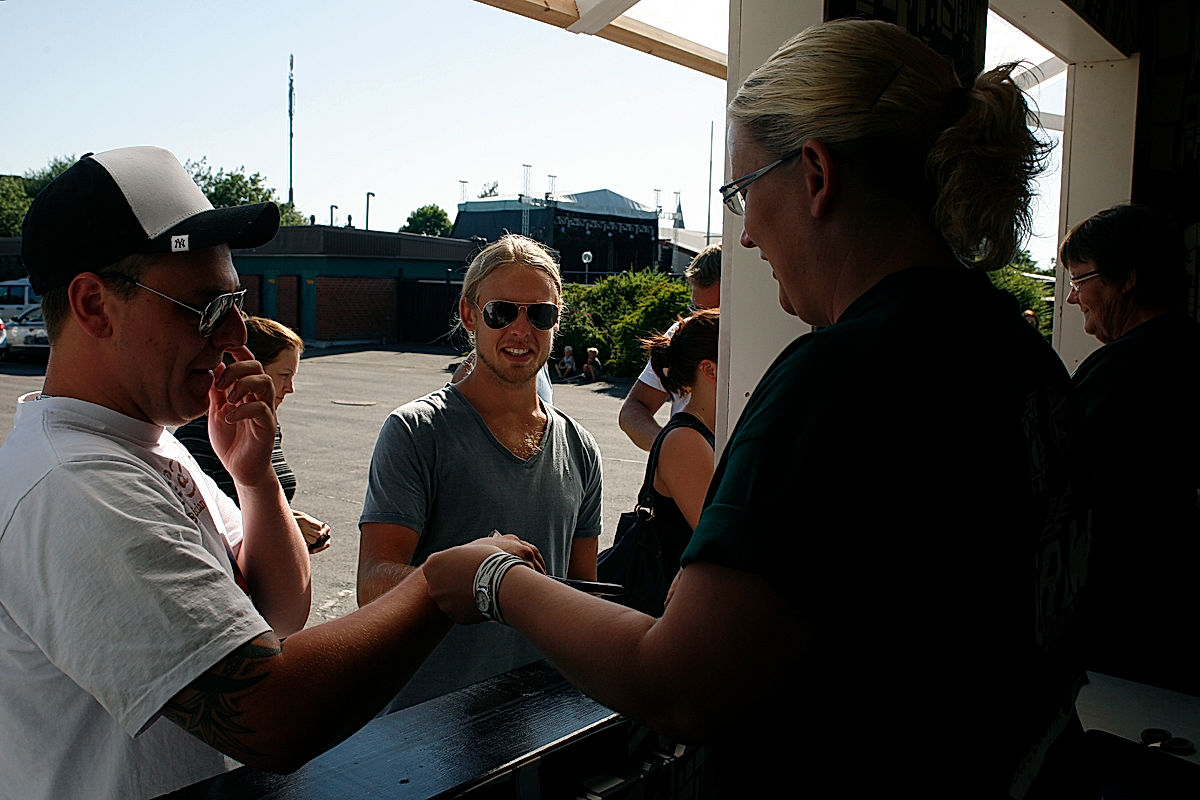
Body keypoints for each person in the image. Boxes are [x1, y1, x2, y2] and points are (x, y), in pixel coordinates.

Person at [423, 19, 1095, 798]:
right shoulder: (1024, 359)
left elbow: (681, 686)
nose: (744, 240)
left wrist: (494, 580)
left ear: (815, 173)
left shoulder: (843, 375)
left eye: (742, 195)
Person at [0, 146, 541, 799]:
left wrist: (252, 479)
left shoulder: (147, 448)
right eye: (203, 308)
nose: (234, 336)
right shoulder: (76, 483)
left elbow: (279, 613)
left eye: (236, 301)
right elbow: (269, 716)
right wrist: (441, 584)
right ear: (93, 305)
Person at [357, 233, 602, 711]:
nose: (520, 329)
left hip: (540, 717)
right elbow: (372, 583)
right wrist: (479, 580)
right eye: (501, 312)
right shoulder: (415, 432)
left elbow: (581, 591)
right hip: (430, 724)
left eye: (540, 314)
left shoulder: (580, 447)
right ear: (470, 315)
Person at [1063, 203, 1200, 695]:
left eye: (1081, 280)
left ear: (1128, 278)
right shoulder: (1184, 348)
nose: (1074, 298)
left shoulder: (1128, 370)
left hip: (1130, 623)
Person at [176, 315, 331, 553]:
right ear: (248, 369)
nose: (290, 388)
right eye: (283, 375)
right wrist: (286, 528)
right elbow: (202, 526)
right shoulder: (197, 436)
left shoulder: (266, 427)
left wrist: (290, 521)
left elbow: (256, 501)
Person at [609, 309, 718, 614]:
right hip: (678, 614)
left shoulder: (698, 434)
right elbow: (721, 541)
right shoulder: (687, 440)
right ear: (709, 369)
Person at [619, 243, 721, 450]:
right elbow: (633, 410)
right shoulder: (681, 334)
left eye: (716, 313)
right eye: (698, 310)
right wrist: (669, 449)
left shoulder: (754, 341)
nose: (703, 321)